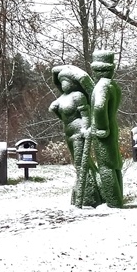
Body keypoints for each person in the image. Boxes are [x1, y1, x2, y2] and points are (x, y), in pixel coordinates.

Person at [49, 64, 102, 207]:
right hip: (68, 132)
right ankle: (83, 190)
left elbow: (85, 114)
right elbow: (63, 117)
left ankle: (90, 193)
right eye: (62, 81)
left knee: (81, 163)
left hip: (79, 132)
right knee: (77, 163)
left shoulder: (77, 96)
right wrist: (55, 109)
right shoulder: (61, 98)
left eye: (66, 81)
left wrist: (86, 128)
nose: (64, 84)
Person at [89, 50, 124, 208]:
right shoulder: (113, 85)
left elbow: (99, 106)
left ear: (96, 70)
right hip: (113, 128)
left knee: (106, 166)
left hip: (104, 133)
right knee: (115, 164)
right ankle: (118, 198)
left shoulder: (102, 86)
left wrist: (101, 128)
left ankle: (114, 201)